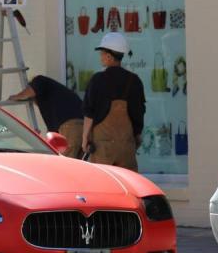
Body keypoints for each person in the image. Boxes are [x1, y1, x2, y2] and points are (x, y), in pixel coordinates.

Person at [82, 33, 145, 171]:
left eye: (102, 53)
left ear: (109, 56)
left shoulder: (97, 80)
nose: (101, 57)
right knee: (127, 186)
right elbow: (139, 113)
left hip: (102, 148)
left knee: (103, 186)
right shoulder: (134, 81)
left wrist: (85, 139)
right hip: (126, 147)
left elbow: (89, 113)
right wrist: (137, 137)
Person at [9, 75, 84, 158]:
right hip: (79, 125)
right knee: (76, 162)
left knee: (66, 163)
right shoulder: (53, 96)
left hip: (70, 125)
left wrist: (15, 97)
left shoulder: (39, 80)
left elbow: (30, 92)